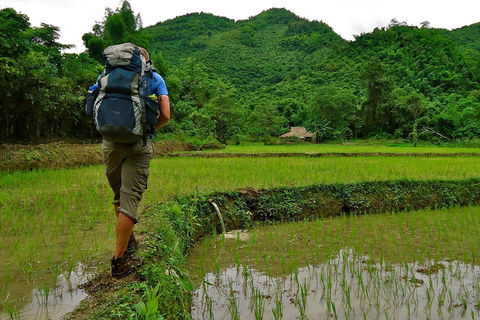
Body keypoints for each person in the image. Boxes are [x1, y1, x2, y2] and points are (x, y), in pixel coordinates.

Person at [90, 46, 170, 278]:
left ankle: (129, 243)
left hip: (110, 144)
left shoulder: (105, 76)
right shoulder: (154, 78)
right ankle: (119, 261)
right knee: (130, 201)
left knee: (118, 195)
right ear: (145, 60)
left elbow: (93, 106)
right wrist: (147, 129)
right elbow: (165, 115)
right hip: (138, 145)